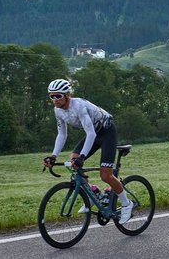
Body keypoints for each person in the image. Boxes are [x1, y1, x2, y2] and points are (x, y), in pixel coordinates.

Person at [42, 79, 133, 224]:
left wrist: (82, 157)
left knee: (105, 174)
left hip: (106, 132)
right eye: (51, 96)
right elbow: (62, 134)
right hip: (94, 133)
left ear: (67, 95)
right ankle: (93, 193)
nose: (55, 99)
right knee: (73, 161)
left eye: (58, 96)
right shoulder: (57, 110)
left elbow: (91, 134)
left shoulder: (78, 106)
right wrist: (53, 156)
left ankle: (127, 204)